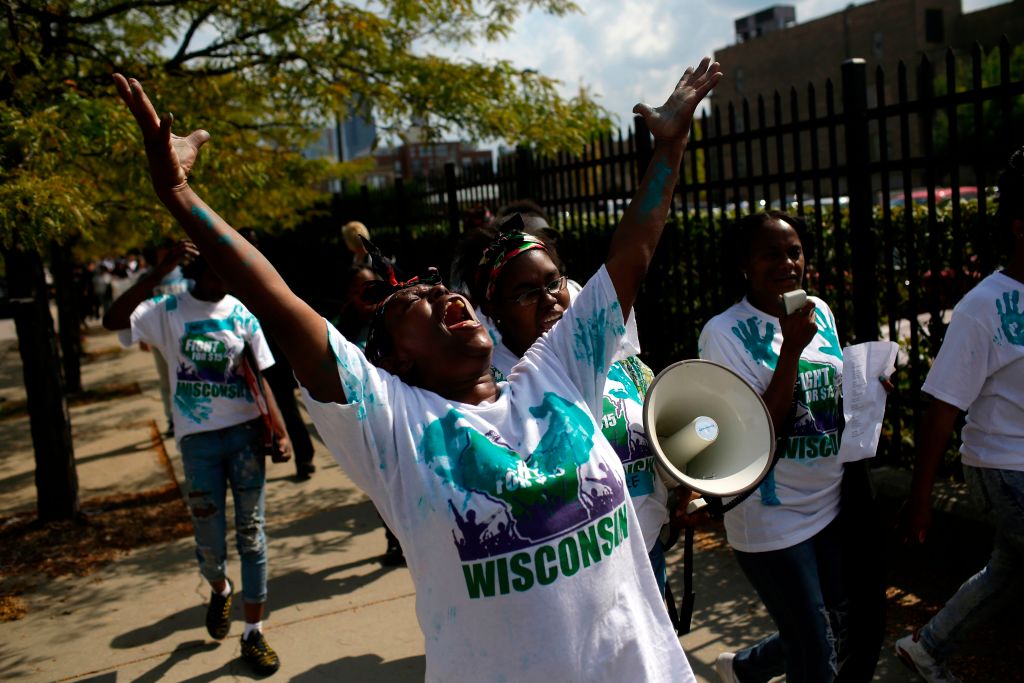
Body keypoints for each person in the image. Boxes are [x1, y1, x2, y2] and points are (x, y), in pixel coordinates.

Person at [113, 56, 721, 682]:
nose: (444, 296)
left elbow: (633, 252)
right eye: (417, 302)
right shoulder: (392, 426)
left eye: (442, 288)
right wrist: (180, 197)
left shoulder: (558, 372)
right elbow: (276, 298)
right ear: (394, 358)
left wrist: (668, 147)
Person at [699, 211, 885, 683]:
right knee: (815, 648)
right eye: (771, 254)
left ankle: (743, 669)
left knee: (831, 628)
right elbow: (752, 430)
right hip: (770, 513)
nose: (787, 263)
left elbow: (827, 392)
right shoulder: (722, 333)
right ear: (744, 264)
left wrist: (870, 389)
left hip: (831, 500)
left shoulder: (817, 310)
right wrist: (789, 351)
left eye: (794, 251)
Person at [453, 214, 672, 601]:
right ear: (493, 308)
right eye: (526, 292)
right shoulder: (490, 394)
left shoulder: (614, 357)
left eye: (553, 282)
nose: (550, 297)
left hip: (648, 552)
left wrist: (682, 487)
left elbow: (662, 430)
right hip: (570, 581)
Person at [103, 243, 291, 676]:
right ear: (201, 268)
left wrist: (279, 433)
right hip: (198, 443)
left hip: (245, 437)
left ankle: (254, 633)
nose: (229, 275)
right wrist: (156, 271)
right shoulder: (167, 309)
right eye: (221, 267)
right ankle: (220, 588)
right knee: (209, 543)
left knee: (253, 535)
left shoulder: (242, 313)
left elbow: (258, 378)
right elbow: (113, 321)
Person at [895, 146, 1024, 683]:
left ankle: (926, 646)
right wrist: (921, 499)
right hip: (1000, 465)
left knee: (1009, 572)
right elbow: (942, 409)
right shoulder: (984, 306)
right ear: (1020, 227)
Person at [241, 228, 319, 479]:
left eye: (255, 241)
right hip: (255, 351)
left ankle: (303, 457)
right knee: (272, 407)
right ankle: (291, 455)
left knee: (290, 405)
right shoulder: (236, 274)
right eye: (249, 242)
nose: (253, 246)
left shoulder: (272, 270)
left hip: (279, 349)